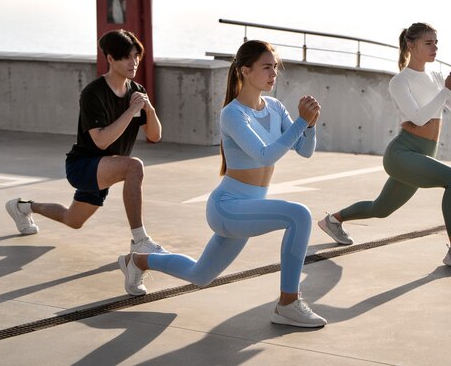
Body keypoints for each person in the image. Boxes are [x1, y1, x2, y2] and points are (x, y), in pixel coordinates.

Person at [118, 40, 327, 327]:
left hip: (249, 208)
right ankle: (288, 303)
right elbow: (266, 154)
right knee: (299, 215)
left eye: (275, 67)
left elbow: (304, 150)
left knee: (200, 275)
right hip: (228, 207)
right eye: (266, 67)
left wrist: (311, 125)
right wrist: (301, 123)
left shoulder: (276, 108)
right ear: (245, 71)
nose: (273, 73)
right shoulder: (233, 113)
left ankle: (138, 260)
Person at [318, 22, 451, 270]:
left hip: (422, 154)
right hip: (402, 154)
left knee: (381, 208)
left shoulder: (436, 77)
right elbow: (418, 118)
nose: (435, 48)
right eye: (428, 43)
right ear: (411, 45)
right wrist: (445, 91)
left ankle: (333, 220)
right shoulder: (400, 81)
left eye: (436, 43)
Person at [6, 29, 167, 255]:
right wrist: (132, 110)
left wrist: (148, 108)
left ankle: (23, 207)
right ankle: (140, 240)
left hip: (106, 168)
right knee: (134, 166)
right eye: (127, 57)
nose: (134, 62)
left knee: (72, 219)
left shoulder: (137, 90)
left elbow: (155, 135)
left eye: (136, 56)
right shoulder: (93, 93)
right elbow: (101, 141)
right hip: (83, 166)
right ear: (110, 58)